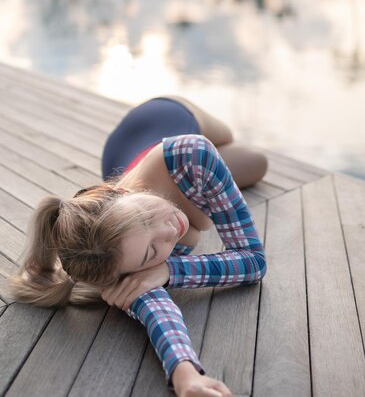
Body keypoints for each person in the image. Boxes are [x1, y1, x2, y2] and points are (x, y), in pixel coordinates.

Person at [8, 95, 268, 397]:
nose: (169, 230)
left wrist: (169, 268)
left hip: (165, 118)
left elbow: (254, 261)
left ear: (119, 191)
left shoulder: (194, 156)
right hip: (122, 171)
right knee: (250, 162)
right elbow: (155, 309)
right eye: (152, 252)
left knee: (255, 161)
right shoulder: (115, 258)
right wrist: (185, 372)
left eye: (145, 217)